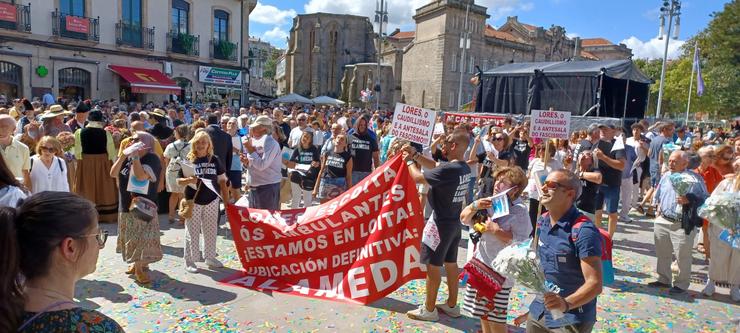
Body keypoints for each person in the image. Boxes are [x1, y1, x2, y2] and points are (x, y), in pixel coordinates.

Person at [0, 191, 124, 332]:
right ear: (70, 247)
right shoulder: (100, 328)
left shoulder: (6, 315)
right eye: (97, 235)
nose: (100, 245)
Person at [404, 132, 472, 322]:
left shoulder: (449, 170)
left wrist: (409, 162)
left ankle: (429, 309)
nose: (442, 145)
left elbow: (418, 178)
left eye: (446, 142)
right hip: (453, 223)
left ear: (454, 145)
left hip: (439, 225)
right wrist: (416, 155)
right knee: (451, 264)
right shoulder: (463, 167)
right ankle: (452, 305)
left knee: (432, 266)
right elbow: (434, 166)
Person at [528, 169, 603, 333]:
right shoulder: (543, 220)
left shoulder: (584, 231)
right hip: (539, 311)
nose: (544, 188)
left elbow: (595, 284)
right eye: (544, 183)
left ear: (570, 194)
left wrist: (565, 304)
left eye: (552, 185)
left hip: (571, 318)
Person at [460, 166, 531, 333]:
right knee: (483, 314)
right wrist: (474, 206)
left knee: (496, 319)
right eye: (497, 180)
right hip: (482, 266)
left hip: (501, 275)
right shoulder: (488, 201)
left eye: (504, 182)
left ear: (515, 190)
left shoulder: (519, 211)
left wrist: (496, 231)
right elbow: (464, 219)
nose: (497, 184)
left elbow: (522, 241)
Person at [648, 150, 708, 294]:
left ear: (685, 163)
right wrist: (657, 209)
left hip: (682, 223)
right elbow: (660, 193)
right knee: (663, 252)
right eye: (670, 161)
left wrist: (690, 199)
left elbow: (705, 198)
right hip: (663, 220)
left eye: (675, 161)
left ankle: (681, 284)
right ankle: (664, 279)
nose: (671, 163)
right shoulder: (666, 175)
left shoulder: (694, 178)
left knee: (683, 255)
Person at [110, 131, 162, 284]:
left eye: (137, 140)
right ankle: (136, 264)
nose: (133, 142)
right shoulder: (127, 157)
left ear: (146, 143)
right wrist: (122, 156)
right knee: (131, 236)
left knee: (140, 237)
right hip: (126, 202)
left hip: (143, 205)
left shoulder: (152, 158)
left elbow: (140, 176)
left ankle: (139, 268)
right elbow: (113, 173)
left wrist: (135, 157)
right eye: (132, 140)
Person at [177, 131, 229, 273]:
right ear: (194, 144)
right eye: (198, 142)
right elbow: (179, 181)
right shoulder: (188, 159)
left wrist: (227, 201)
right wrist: (188, 180)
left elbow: (222, 181)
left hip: (212, 200)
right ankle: (190, 260)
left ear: (208, 145)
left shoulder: (215, 160)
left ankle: (210, 257)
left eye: (203, 143)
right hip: (193, 201)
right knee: (192, 232)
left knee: (211, 230)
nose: (200, 145)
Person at [702, 159, 740, 301]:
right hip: (722, 227)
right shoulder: (725, 183)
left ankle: (735, 286)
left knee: (738, 257)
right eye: (736, 165)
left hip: (739, 230)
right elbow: (712, 201)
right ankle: (711, 282)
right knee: (718, 255)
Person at [74, 110, 118, 223]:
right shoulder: (105, 133)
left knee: (87, 187)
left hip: (86, 162)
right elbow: (111, 153)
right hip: (103, 162)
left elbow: (77, 153)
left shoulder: (79, 132)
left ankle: (87, 216)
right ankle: (106, 216)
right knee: (104, 187)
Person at [241, 115, 282, 210]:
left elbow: (262, 165)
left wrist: (250, 149)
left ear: (263, 128)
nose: (251, 129)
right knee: (256, 221)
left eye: (254, 127)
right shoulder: (255, 141)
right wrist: (247, 162)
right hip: (255, 186)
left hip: (267, 187)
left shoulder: (271, 143)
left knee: (267, 221)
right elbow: (255, 163)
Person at [593, 124, 626, 238]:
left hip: (612, 184)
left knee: (612, 213)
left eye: (605, 129)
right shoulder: (596, 143)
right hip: (597, 184)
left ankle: (609, 238)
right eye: (601, 129)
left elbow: (621, 165)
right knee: (597, 211)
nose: (602, 131)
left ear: (613, 132)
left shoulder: (617, 145)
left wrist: (603, 157)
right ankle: (597, 234)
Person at [525, 140, 562, 232]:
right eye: (539, 149)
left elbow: (560, 178)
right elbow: (528, 176)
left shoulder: (555, 163)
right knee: (533, 217)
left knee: (545, 217)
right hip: (534, 194)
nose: (541, 152)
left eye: (544, 149)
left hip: (548, 195)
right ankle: (533, 238)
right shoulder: (534, 161)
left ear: (550, 151)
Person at [693, 146, 723, 259]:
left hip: (707, 205)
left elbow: (720, 184)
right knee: (688, 231)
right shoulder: (693, 171)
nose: (712, 158)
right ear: (700, 157)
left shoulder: (713, 170)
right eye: (709, 156)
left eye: (712, 156)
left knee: (706, 231)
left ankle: (708, 257)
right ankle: (679, 258)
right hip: (693, 205)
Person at [285, 130, 320, 208]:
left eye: (308, 137)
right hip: (296, 175)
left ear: (311, 140)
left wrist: (316, 164)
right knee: (296, 197)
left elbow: (317, 162)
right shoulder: (297, 148)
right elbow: (291, 161)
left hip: (309, 176)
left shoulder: (314, 149)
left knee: (307, 199)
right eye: (304, 136)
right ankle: (293, 216)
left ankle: (307, 218)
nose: (305, 138)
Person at [163, 125, 191, 224]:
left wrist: (167, 171)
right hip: (184, 171)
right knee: (182, 195)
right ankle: (182, 218)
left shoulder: (170, 145)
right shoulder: (190, 146)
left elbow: (166, 160)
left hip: (172, 171)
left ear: (178, 133)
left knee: (173, 194)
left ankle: (171, 215)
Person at [314, 134, 353, 203]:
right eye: (338, 138)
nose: (339, 140)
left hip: (339, 184)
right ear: (334, 140)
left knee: (336, 208)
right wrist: (315, 188)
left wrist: (350, 192)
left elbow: (349, 176)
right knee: (323, 207)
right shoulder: (327, 153)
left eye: (342, 139)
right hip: (325, 182)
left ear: (345, 144)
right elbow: (321, 170)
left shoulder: (348, 157)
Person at [0, 114, 31, 188]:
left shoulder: (23, 148)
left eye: (4, 127)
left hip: (15, 193)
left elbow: (26, 174)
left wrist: (28, 193)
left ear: (14, 129)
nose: (0, 130)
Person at [349, 115, 380, 186]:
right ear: (357, 125)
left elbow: (376, 157)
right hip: (352, 172)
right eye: (360, 125)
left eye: (364, 125)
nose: (362, 126)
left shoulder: (371, 139)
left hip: (366, 173)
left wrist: (377, 171)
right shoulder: (349, 138)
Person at [574, 150, 603, 221]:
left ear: (592, 160)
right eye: (582, 153)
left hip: (587, 210)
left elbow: (598, 178)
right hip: (574, 207)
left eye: (587, 154)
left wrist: (581, 174)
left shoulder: (594, 170)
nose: (583, 155)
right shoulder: (575, 170)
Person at [225, 117, 244, 203]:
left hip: (236, 167)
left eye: (234, 123)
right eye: (229, 123)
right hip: (224, 167)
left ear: (237, 126)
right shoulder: (223, 136)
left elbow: (242, 152)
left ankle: (238, 210)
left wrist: (233, 149)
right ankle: (227, 210)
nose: (231, 125)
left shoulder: (241, 137)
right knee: (224, 191)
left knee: (236, 191)